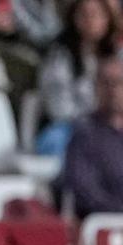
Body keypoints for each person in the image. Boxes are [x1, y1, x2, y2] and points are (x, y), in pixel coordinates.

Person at [36, 0, 122, 157]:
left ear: (108, 19)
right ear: (73, 18)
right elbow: (58, 108)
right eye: (84, 15)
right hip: (69, 127)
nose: (90, 21)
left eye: (96, 15)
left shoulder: (116, 55)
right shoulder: (60, 55)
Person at [63, 55, 123, 217]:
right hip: (103, 224)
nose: (113, 90)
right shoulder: (85, 133)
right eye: (106, 83)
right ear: (96, 87)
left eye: (119, 83)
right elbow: (85, 191)